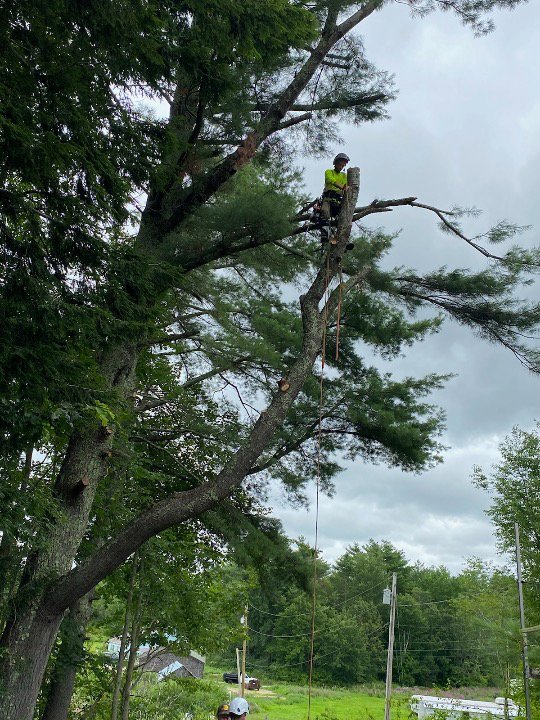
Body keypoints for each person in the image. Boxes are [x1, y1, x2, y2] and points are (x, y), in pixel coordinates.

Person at [321, 152, 350, 222]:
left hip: (338, 200)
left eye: (343, 165)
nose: (341, 167)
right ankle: (324, 230)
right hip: (328, 198)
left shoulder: (343, 176)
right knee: (325, 213)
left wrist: (345, 188)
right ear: (335, 163)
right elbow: (331, 180)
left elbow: (346, 186)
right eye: (340, 165)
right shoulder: (329, 172)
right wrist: (342, 187)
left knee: (340, 217)